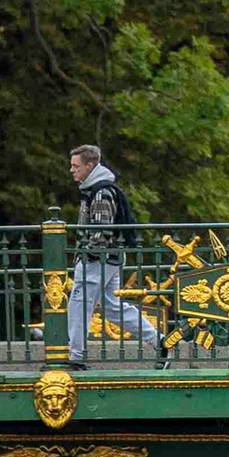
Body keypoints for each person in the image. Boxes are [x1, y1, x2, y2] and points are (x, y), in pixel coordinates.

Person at [64, 142, 162, 362]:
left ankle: (75, 356)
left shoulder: (100, 193)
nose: (72, 170)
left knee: (79, 305)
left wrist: (85, 257)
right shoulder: (101, 189)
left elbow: (101, 231)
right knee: (112, 307)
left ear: (89, 166)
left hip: (97, 260)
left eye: (76, 166)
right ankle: (158, 341)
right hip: (110, 259)